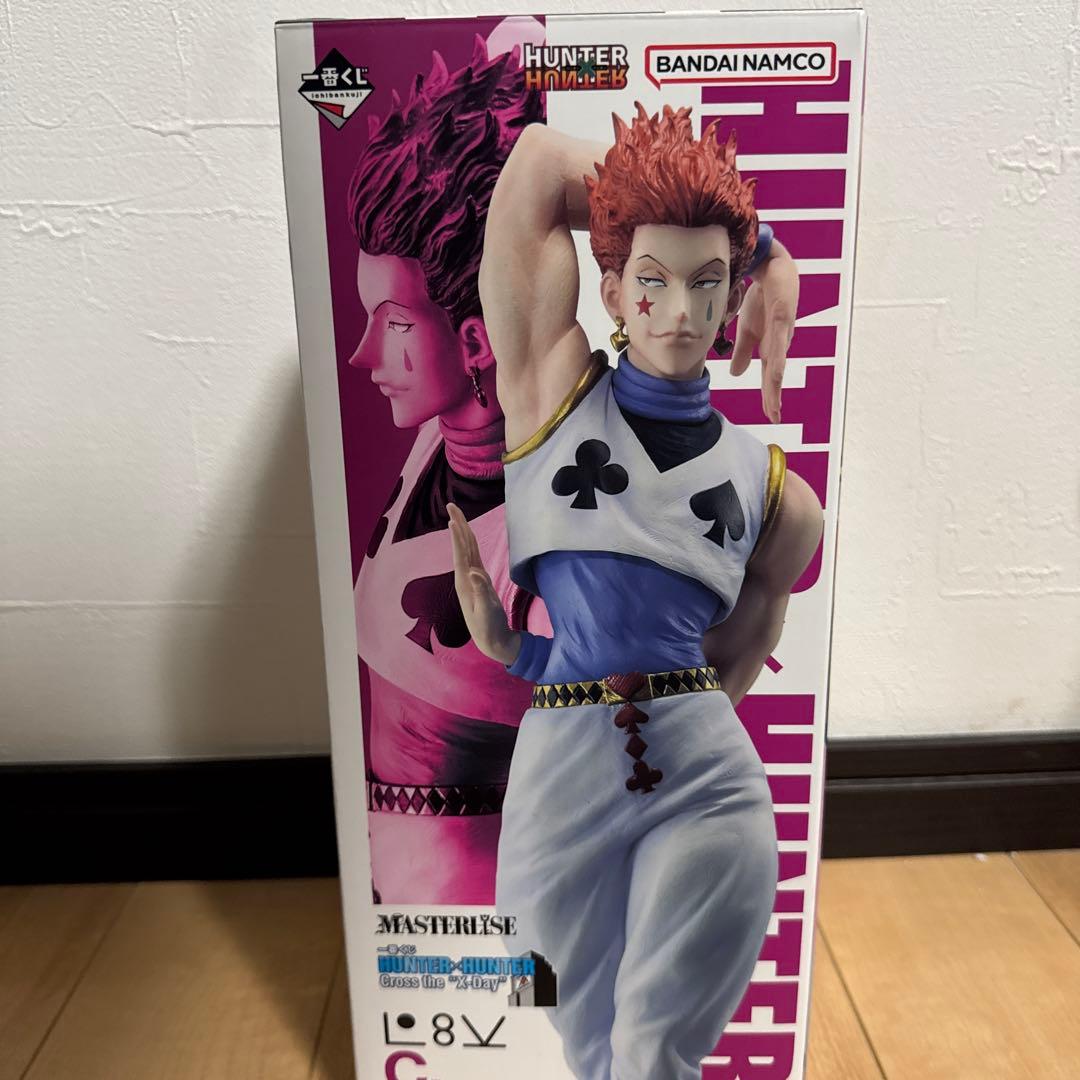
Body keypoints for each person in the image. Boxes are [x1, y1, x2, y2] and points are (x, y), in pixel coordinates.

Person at [448, 103, 823, 1079]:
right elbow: (537, 163)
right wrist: (765, 240)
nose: (683, 313)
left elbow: (723, 666)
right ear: (611, 290)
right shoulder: (551, 394)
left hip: (707, 787)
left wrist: (747, 243)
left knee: (654, 1047)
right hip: (562, 776)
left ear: (730, 297)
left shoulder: (779, 500)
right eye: (653, 281)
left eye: (711, 283)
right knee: (556, 1005)